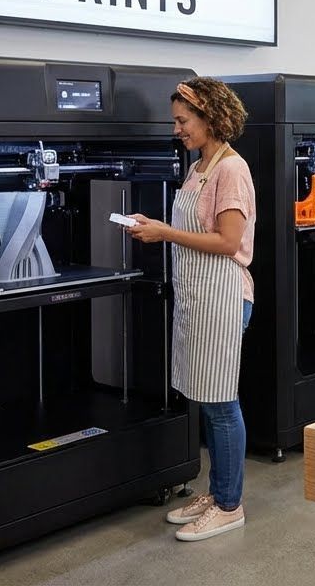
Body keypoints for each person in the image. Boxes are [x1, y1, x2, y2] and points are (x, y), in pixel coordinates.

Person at [127, 77, 256, 542]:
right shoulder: (201, 165)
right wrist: (155, 228)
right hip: (199, 294)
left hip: (224, 294)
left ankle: (229, 505)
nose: (177, 129)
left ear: (209, 118)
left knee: (222, 403)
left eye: (183, 121)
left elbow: (228, 241)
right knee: (207, 397)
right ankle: (217, 490)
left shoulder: (231, 170)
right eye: (176, 121)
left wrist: (164, 233)